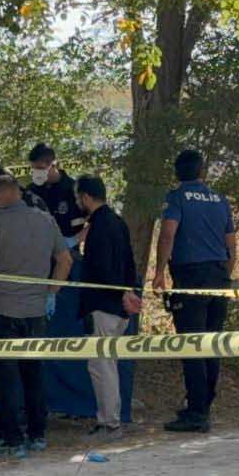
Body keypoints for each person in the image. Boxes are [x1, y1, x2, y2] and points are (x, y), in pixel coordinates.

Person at [0, 173, 73, 457]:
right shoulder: (46, 221)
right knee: (34, 374)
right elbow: (65, 260)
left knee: (7, 377)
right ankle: (38, 435)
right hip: (37, 311)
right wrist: (51, 293)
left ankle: (13, 440)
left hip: (1, 310)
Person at [153, 149, 237, 433]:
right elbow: (231, 244)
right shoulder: (220, 199)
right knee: (211, 344)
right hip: (219, 275)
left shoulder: (176, 197)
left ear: (177, 173)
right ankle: (204, 404)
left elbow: (168, 234)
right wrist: (226, 273)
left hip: (191, 276)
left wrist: (159, 271)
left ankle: (197, 412)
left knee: (192, 344)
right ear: (202, 171)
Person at [76, 175, 142, 437]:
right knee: (109, 365)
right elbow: (130, 263)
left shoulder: (98, 227)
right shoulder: (118, 222)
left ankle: (109, 424)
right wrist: (128, 291)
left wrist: (121, 292)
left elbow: (101, 268)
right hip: (119, 308)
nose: (77, 202)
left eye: (78, 197)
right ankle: (111, 419)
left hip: (102, 306)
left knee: (100, 366)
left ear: (86, 197)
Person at [24, 143, 84, 244]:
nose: (37, 172)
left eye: (40, 168)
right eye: (34, 169)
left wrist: (73, 241)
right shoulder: (30, 191)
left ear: (53, 164)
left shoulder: (74, 188)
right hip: (38, 249)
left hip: (69, 250)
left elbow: (93, 220)